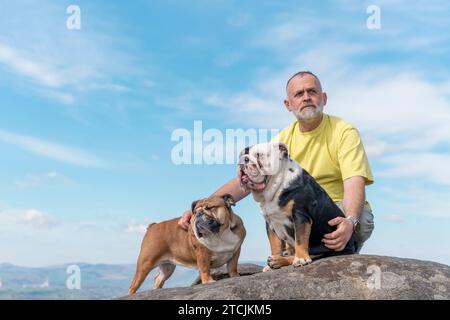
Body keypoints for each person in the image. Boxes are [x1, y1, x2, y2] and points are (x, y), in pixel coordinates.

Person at [178, 71, 374, 253]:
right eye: (299, 94)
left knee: (360, 220)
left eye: (312, 91)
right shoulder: (281, 141)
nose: (306, 97)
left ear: (324, 98)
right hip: (300, 212)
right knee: (278, 207)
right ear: (288, 104)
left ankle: (345, 248)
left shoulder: (343, 131)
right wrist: (202, 207)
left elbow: (353, 181)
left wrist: (350, 220)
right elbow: (247, 181)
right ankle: (297, 254)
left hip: (335, 208)